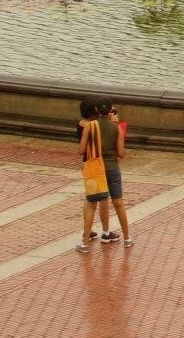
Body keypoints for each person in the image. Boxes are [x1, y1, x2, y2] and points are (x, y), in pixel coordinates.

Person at [75, 99, 110, 253]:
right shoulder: (94, 126)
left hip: (86, 165)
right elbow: (82, 149)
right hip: (96, 166)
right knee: (98, 201)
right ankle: (87, 240)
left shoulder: (80, 125)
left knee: (89, 201)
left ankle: (87, 232)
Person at [96, 102, 131, 246]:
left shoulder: (92, 126)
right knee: (118, 202)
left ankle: (105, 232)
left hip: (97, 167)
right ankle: (127, 237)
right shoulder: (116, 128)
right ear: (110, 111)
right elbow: (121, 153)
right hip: (112, 167)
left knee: (102, 200)